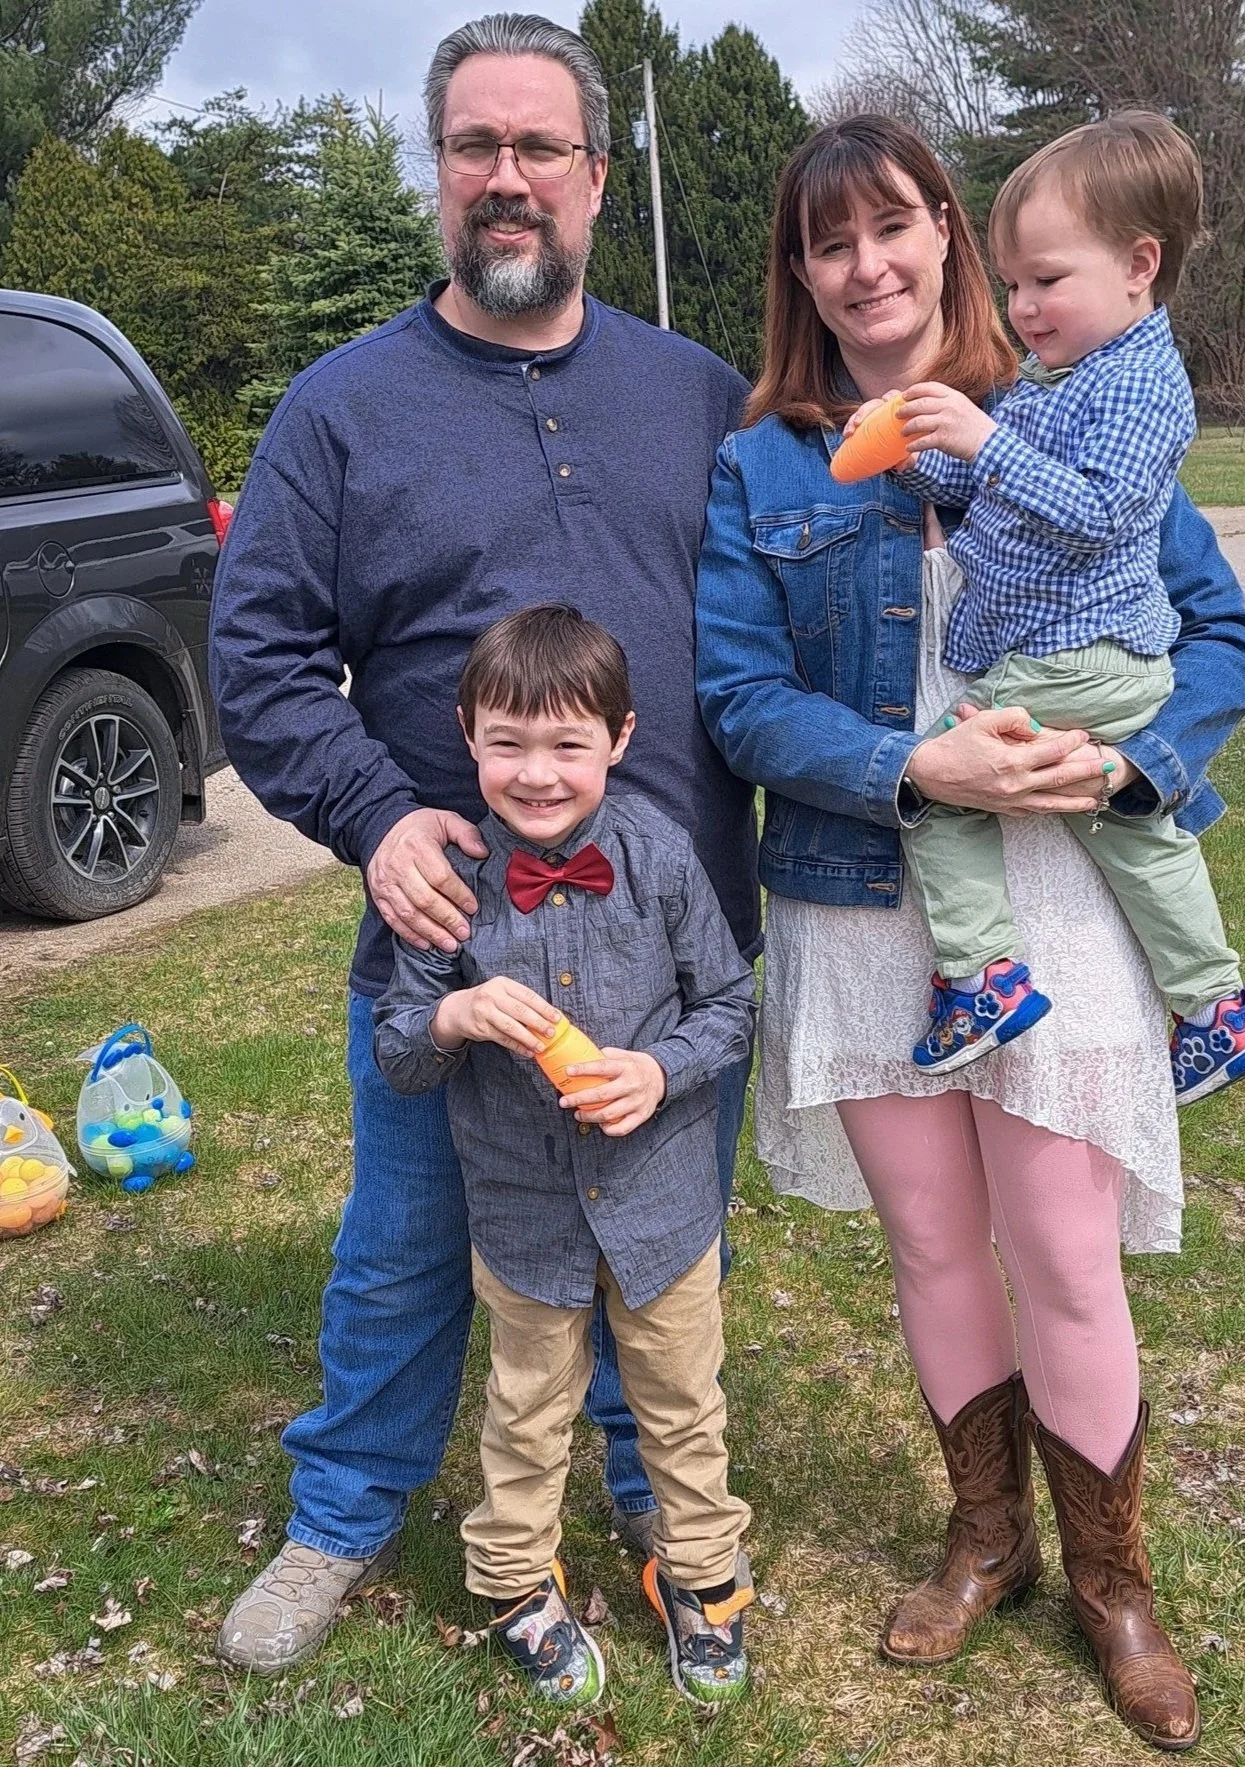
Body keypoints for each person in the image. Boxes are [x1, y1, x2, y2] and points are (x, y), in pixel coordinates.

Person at [695, 113, 1245, 1752]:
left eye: (893, 226)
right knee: (937, 1246)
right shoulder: (763, 467)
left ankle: (1113, 1580)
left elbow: (1220, 633)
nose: (865, 266)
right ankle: (985, 1534)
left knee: (1064, 1253)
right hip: (867, 902)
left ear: (946, 231)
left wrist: (1134, 755)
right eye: (828, 242)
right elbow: (738, 696)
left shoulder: (1071, 406)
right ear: (799, 275)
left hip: (1059, 897)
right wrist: (906, 762)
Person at [208, 14, 758, 1675]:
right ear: (437, 172)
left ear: (597, 175)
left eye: (540, 148)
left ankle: (659, 1508)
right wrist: (377, 820)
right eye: (475, 147)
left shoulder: (698, 391)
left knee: (657, 1241)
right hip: (453, 937)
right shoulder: (344, 407)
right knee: (401, 1255)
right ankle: (347, 1507)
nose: (507, 179)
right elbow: (259, 659)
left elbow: (790, 609)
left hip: (672, 944)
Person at [845, 114, 1245, 1096]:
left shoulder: (1143, 389)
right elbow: (998, 492)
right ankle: (1216, 1010)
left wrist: (981, 437)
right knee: (1131, 830)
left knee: (943, 785)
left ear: (1137, 264)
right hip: (1079, 655)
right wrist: (922, 455)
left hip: (1071, 655)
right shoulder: (1064, 375)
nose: (1023, 306)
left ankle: (982, 978)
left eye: (1045, 280)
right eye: (1010, 284)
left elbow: (1092, 511)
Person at [373, 604, 756, 1706]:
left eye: (566, 746)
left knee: (681, 1403)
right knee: (525, 1405)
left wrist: (658, 1070)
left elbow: (729, 1006)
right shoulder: (445, 879)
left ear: (619, 740)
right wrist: (452, 1019)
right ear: (467, 735)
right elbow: (401, 1053)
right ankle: (512, 1584)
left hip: (661, 1202)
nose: (536, 775)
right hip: (523, 1206)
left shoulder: (658, 854)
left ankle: (698, 1578)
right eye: (507, 744)